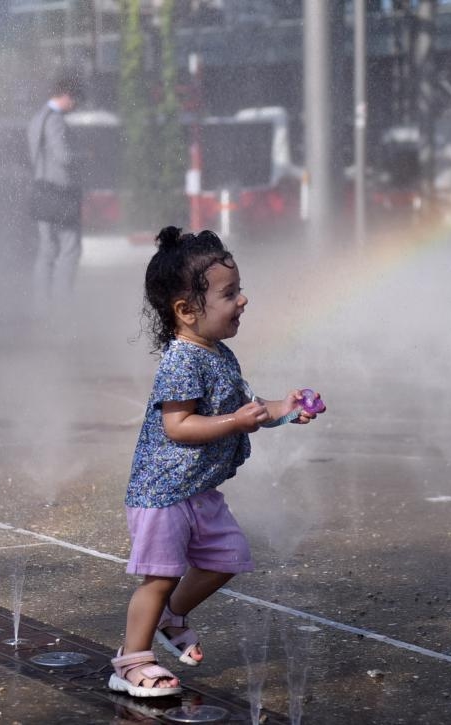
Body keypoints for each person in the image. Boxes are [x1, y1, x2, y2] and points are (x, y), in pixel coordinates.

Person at [108, 226, 324, 697]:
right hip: (163, 493)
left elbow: (244, 407)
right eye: (230, 293)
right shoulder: (182, 360)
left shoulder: (219, 353)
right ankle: (130, 662)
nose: (243, 301)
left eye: (239, 290)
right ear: (186, 311)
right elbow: (178, 426)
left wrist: (282, 411)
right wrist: (232, 423)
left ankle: (171, 617)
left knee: (227, 558)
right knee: (159, 577)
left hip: (197, 490)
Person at [26, 73, 84, 312]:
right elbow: (62, 157)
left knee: (46, 249)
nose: (75, 105)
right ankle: (63, 304)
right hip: (59, 194)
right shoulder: (56, 120)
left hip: (41, 192)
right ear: (67, 96)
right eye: (75, 99)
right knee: (70, 248)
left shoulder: (36, 119)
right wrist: (82, 158)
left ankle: (42, 304)